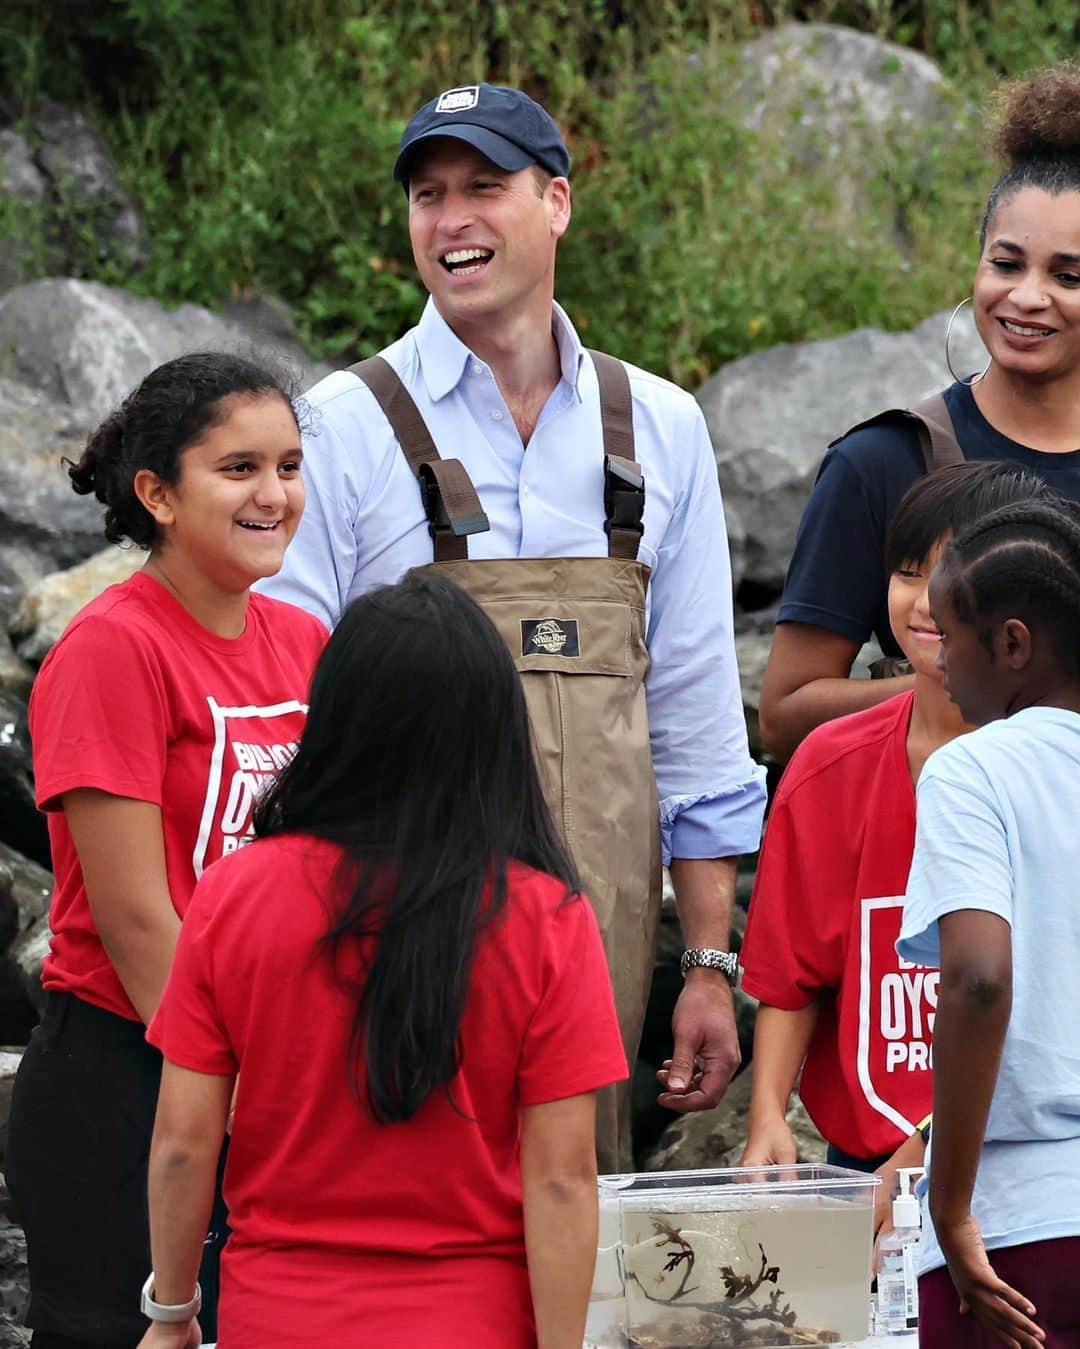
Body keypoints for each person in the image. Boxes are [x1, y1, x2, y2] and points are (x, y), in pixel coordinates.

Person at [257, 82, 766, 1168]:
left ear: (558, 203)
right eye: (427, 195)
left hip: (608, 946)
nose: (451, 221)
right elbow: (282, 711)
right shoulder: (337, 427)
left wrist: (710, 966)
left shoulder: (663, 428)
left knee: (575, 1220)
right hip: (390, 939)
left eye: (484, 187)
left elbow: (699, 722)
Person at [133, 573, 627, 1349]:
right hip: (473, 1321)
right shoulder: (546, 917)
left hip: (279, 1317)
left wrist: (173, 1312)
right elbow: (562, 1177)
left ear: (332, 719)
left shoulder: (233, 894)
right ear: (492, 732)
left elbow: (184, 1142)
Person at [4, 353, 328, 1349]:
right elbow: (138, 917)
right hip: (128, 1081)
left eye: (287, 464)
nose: (272, 493)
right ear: (157, 492)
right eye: (237, 468)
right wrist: (238, 1090)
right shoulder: (112, 650)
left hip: (261, 1064)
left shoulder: (305, 639)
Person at [738, 464, 1051, 1221]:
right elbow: (793, 973)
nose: (924, 600)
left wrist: (909, 1174)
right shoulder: (829, 764)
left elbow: (1032, 1011)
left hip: (1027, 1161)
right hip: (860, 1159)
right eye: (908, 572)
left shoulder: (1048, 769)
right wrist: (766, 1117)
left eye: (951, 575)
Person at [759, 60, 1080, 763]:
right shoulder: (885, 462)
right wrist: (980, 684)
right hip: (934, 854)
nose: (1027, 296)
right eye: (1006, 264)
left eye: (1068, 276)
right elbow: (783, 715)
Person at [897, 497, 1080, 1348]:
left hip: (1020, 1235)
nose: (934, 661)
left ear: (1012, 645)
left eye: (947, 634)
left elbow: (978, 977)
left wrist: (950, 1204)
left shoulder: (972, 770)